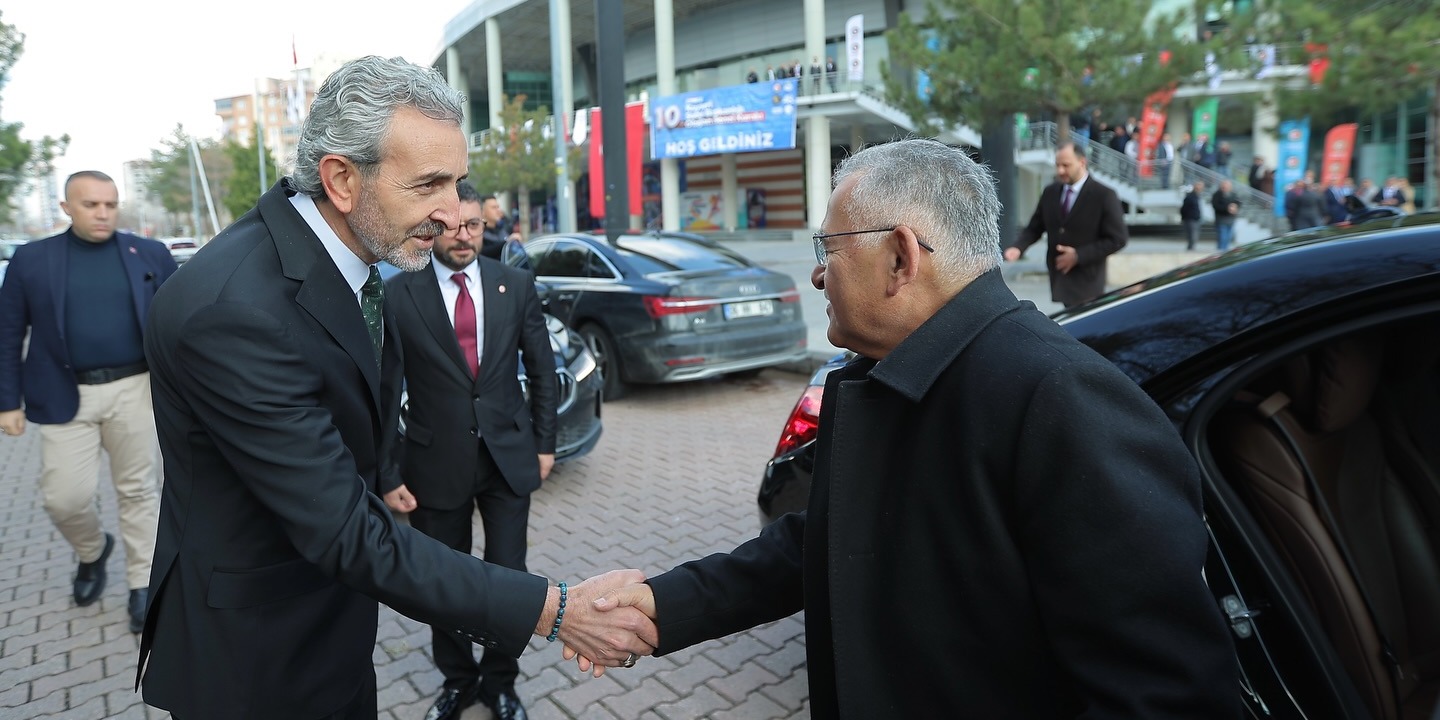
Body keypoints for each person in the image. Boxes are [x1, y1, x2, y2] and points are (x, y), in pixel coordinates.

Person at [585, 138, 1240, 717]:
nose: (817, 273)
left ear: (901, 258)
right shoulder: (898, 374)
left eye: (829, 249)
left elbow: (1168, 695)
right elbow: (825, 540)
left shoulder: (1063, 400)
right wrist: (662, 605)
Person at [136, 55, 655, 720]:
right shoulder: (234, 311)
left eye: (458, 182)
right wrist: (554, 611)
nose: (451, 213)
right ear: (343, 179)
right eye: (428, 185)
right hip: (256, 660)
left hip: (332, 629)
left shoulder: (350, 256)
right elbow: (347, 533)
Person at [381, 177, 558, 720]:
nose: (463, 235)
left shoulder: (515, 284)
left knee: (510, 576)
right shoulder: (398, 293)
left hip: (508, 458)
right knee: (444, 583)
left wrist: (545, 444)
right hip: (434, 463)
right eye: (452, 225)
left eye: (474, 224)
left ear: (487, 226)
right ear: (432, 227)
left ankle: (502, 683)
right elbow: (386, 391)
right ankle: (458, 680)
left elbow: (543, 370)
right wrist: (387, 472)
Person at [0, 170, 175, 635]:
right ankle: (93, 551)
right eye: (91, 205)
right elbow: (8, 332)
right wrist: (7, 402)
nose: (102, 213)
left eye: (110, 205)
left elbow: (180, 322)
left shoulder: (149, 253)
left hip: (134, 388)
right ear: (66, 208)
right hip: (62, 393)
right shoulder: (32, 260)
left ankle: (142, 584)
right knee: (64, 498)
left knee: (138, 490)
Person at [1005, 142, 1128, 308]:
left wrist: (1079, 255)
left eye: (1066, 165)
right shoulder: (1050, 192)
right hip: (1060, 279)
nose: (1060, 171)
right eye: (1057, 165)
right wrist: (1018, 248)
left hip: (1088, 282)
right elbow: (1035, 227)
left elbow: (1118, 238)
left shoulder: (1104, 195)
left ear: (1082, 162)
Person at [473, 189, 523, 261]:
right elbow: (483, 252)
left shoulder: (504, 228)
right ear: (482, 211)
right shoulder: (477, 233)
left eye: (498, 207)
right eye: (493, 208)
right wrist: (506, 243)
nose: (498, 210)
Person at [1211, 179, 1241, 250]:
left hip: (1230, 220)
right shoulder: (1217, 195)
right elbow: (1216, 206)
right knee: (1222, 237)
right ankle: (1220, 252)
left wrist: (1235, 206)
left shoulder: (1233, 194)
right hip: (1221, 220)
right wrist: (1227, 208)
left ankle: (1225, 252)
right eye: (1224, 187)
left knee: (1228, 238)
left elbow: (1238, 202)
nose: (1226, 188)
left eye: (1227, 186)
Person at [1182, 180, 1206, 250]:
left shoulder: (1198, 196)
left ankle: (1191, 248)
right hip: (1191, 219)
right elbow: (1184, 208)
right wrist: (1185, 217)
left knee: (1194, 236)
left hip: (1196, 218)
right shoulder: (1190, 197)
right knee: (1192, 236)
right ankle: (1190, 249)